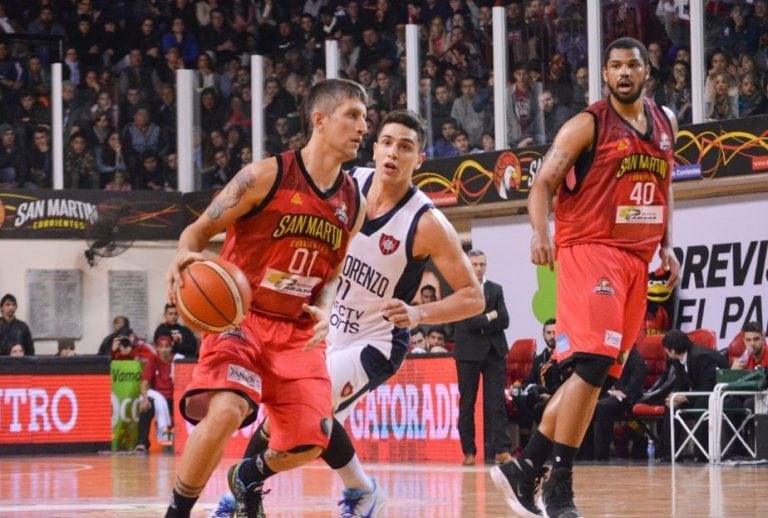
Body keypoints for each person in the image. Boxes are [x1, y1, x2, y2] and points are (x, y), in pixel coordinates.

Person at [211, 110, 484, 517]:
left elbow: (473, 297)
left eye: (405, 147)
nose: (393, 152)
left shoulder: (427, 222)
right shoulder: (348, 186)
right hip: (326, 328)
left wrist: (419, 311)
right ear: (374, 148)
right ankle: (362, 489)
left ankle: (238, 494)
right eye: (387, 142)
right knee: (301, 420)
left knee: (300, 414)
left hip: (376, 341)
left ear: (419, 159)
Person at [492, 38, 681, 518]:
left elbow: (664, 188)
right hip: (590, 250)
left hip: (637, 260)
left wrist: (666, 244)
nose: (623, 72)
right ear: (604, 74)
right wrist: (539, 230)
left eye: (632, 65)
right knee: (593, 363)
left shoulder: (665, 124)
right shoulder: (587, 124)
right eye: (615, 66)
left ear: (646, 71)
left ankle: (528, 468)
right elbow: (542, 185)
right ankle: (554, 483)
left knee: (594, 379)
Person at [163, 78, 368, 518]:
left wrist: (327, 308)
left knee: (312, 440)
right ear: (320, 120)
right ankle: (177, 513)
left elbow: (332, 272)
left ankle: (246, 477)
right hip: (241, 318)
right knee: (228, 409)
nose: (362, 127)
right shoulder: (264, 176)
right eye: (352, 115)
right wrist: (184, 258)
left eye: (365, 118)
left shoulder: (354, 200)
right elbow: (197, 231)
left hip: (297, 333)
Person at [454, 249, 513, 466]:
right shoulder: (460, 290)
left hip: (494, 352)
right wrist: (490, 316)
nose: (478, 268)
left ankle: (501, 450)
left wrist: (481, 322)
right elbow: (468, 323)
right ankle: (468, 451)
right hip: (467, 353)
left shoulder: (496, 289)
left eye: (482, 264)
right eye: (475, 264)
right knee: (467, 403)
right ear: (468, 266)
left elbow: (505, 320)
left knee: (496, 401)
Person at [585, 346, 647, 460]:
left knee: (602, 407)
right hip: (605, 392)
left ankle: (602, 455)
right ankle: (585, 454)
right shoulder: (601, 349)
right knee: (585, 405)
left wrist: (626, 392)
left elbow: (640, 370)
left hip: (624, 395)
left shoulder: (628, 349)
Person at [137, 334, 175, 452]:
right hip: (158, 398)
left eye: (167, 347)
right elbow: (144, 383)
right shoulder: (153, 360)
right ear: (157, 348)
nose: (164, 350)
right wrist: (145, 399)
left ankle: (168, 443)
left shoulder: (176, 360)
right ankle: (142, 443)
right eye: (161, 347)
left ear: (171, 348)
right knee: (146, 408)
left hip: (173, 398)